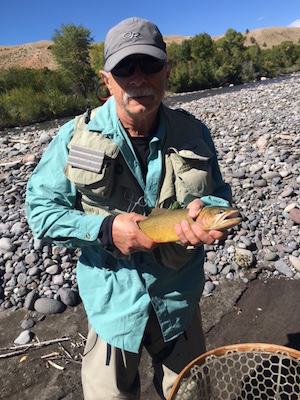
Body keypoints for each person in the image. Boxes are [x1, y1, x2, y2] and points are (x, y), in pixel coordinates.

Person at [25, 17, 232, 400]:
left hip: (179, 302)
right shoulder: (74, 138)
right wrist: (105, 230)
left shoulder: (194, 132)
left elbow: (220, 194)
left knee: (192, 395)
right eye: (125, 68)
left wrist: (211, 214)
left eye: (150, 64)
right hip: (112, 308)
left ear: (167, 72)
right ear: (107, 80)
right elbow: (40, 210)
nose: (138, 78)